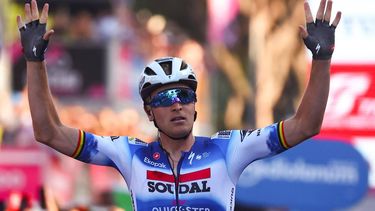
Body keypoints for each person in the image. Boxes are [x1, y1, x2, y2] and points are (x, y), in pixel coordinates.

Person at [17, 0, 341, 210]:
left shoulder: (229, 149)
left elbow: (305, 126)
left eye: (184, 96)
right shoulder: (130, 155)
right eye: (164, 98)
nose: (177, 106)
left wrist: (322, 60)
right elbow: (49, 132)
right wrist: (35, 61)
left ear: (195, 105)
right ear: (148, 112)